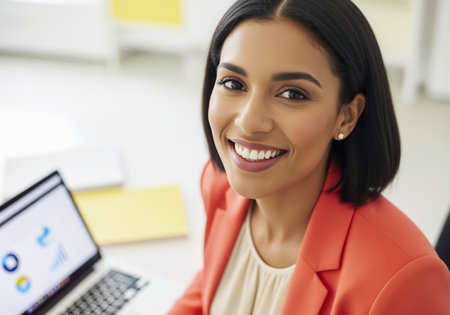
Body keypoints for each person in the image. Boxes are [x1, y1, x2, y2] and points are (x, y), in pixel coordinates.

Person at [168, 0, 450, 314]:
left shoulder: (403, 277)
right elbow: (211, 284)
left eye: (292, 94)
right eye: (233, 83)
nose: (248, 122)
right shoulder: (219, 183)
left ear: (347, 116)